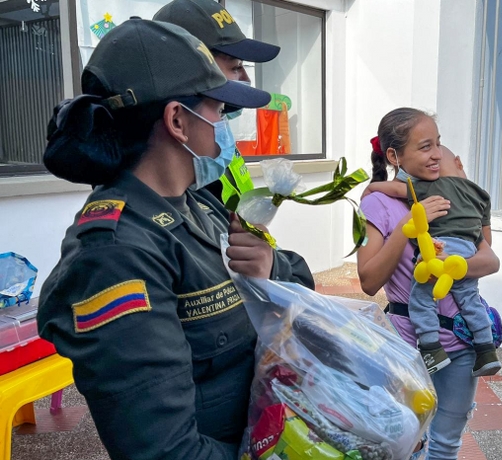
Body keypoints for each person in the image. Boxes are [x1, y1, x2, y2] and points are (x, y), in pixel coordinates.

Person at [38, 19, 311, 459]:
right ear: (178, 120)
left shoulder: (201, 206)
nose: (225, 125)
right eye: (219, 111)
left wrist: (269, 268)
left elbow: (299, 283)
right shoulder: (115, 256)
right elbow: (164, 450)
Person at [357, 107, 500, 459]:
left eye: (438, 143)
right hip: (406, 346)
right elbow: (368, 280)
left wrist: (449, 266)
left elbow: (489, 259)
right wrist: (410, 224)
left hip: (461, 345)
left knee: (447, 442)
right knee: (402, 442)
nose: (437, 154)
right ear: (395, 156)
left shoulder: (452, 195)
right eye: (425, 147)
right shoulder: (376, 204)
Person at [365, 145, 501, 377]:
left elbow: (396, 189)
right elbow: (486, 240)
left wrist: (372, 187)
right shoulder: (481, 195)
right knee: (471, 300)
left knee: (421, 297)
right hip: (465, 253)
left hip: (438, 251)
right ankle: (487, 351)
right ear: (459, 163)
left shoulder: (433, 187)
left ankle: (431, 348)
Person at [154, 0, 280, 203]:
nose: (246, 79)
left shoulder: (215, 134)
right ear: (197, 65)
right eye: (235, 67)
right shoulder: (178, 162)